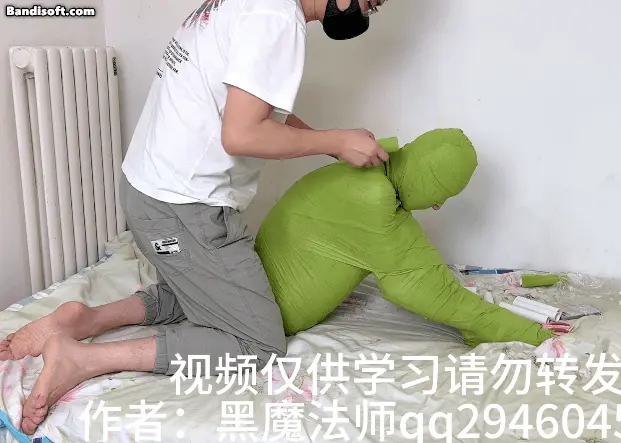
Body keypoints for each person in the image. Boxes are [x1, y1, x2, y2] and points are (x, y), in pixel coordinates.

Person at [0, 0, 390, 435]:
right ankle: (83, 358)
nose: (367, 12)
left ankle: (87, 319)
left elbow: (257, 111)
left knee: (200, 290)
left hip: (153, 191)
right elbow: (241, 134)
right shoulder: (276, 18)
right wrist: (334, 140)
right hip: (182, 208)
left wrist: (333, 144)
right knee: (257, 343)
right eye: (371, 3)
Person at [256, 128, 556, 347]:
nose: (437, 206)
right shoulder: (374, 202)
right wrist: (532, 334)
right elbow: (432, 292)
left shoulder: (356, 167)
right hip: (273, 319)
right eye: (441, 194)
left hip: (253, 287)